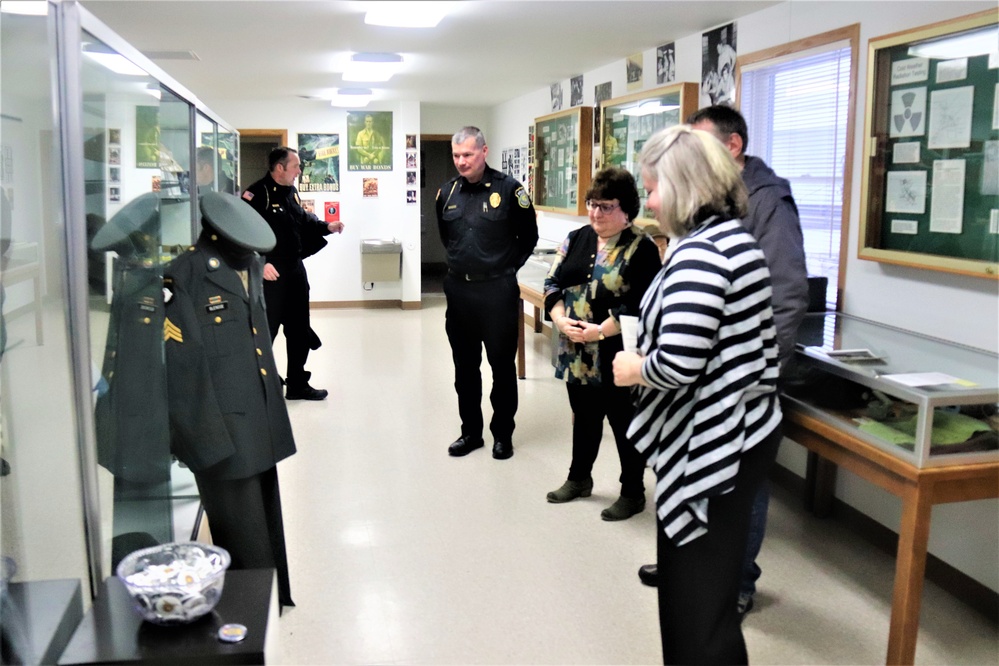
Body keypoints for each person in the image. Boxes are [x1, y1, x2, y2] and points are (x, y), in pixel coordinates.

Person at [613, 125, 783, 664]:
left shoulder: (701, 255)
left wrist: (634, 366)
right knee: (705, 591)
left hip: (719, 443)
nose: (651, 201)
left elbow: (679, 364)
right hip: (744, 434)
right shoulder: (733, 238)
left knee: (696, 602)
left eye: (654, 187)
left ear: (685, 185)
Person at [636, 105, 809, 617]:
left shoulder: (762, 204)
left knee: (735, 494)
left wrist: (751, 375)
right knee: (702, 502)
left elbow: (786, 294)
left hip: (738, 387)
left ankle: (735, 582)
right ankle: (696, 569)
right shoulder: (711, 228)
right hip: (708, 386)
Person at [164, 191, 297, 609]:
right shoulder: (183, 276)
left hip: (256, 413)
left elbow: (256, 340)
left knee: (265, 517)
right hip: (218, 421)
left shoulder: (250, 264)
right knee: (240, 526)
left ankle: (275, 598)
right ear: (219, 237)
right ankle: (254, 610)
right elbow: (181, 372)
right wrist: (201, 438)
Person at [543, 167, 661, 520]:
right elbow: (553, 282)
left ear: (627, 209)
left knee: (624, 422)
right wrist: (561, 319)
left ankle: (632, 491)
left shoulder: (642, 248)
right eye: (592, 204)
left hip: (617, 353)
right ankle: (579, 478)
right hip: (575, 350)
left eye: (606, 206)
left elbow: (641, 303)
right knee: (584, 417)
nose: (595, 213)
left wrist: (598, 331)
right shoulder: (576, 238)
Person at [436, 126, 538, 460]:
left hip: (497, 291)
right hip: (459, 291)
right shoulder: (446, 193)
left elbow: (529, 237)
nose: (461, 162)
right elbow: (446, 237)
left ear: (484, 151)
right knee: (464, 368)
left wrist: (506, 268)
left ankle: (502, 435)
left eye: (467, 154)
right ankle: (471, 432)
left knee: (501, 367)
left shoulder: (510, 190)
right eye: (456, 155)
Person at [242, 147, 345, 400]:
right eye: (296, 166)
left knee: (299, 329)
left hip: (295, 270)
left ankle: (297, 383)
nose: (299, 171)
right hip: (270, 272)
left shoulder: (291, 193)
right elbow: (242, 232)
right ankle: (263, 380)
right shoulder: (256, 194)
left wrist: (326, 227)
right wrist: (260, 262)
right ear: (280, 168)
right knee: (267, 330)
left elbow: (303, 219)